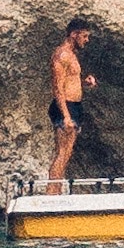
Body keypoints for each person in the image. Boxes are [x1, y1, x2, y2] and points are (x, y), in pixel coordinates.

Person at [47, 21, 94, 187]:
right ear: (74, 34)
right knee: (62, 153)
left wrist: (84, 83)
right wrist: (66, 116)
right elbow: (58, 88)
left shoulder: (72, 55)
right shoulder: (62, 55)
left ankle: (56, 192)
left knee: (67, 154)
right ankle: (51, 194)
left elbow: (70, 82)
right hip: (65, 107)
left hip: (75, 106)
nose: (87, 40)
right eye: (84, 36)